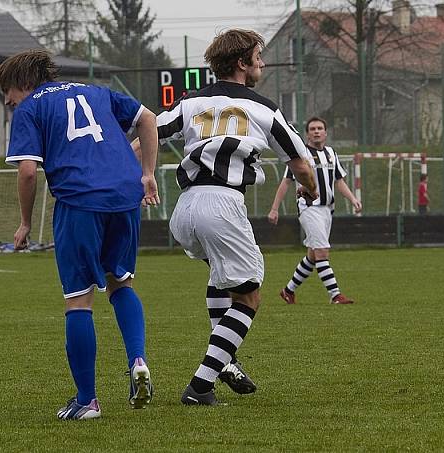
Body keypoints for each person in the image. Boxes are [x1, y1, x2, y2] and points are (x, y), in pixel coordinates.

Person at [0, 49, 159, 420]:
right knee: (121, 283)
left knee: (78, 301)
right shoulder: (98, 91)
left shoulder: (31, 109)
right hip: (125, 197)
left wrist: (26, 222)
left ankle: (87, 400)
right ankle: (137, 360)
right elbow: (148, 119)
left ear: (24, 83)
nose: (8, 101)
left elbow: (28, 172)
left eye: (7, 92)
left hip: (79, 201)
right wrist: (147, 172)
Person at [155, 29, 318, 406]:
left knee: (222, 274)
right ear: (242, 63)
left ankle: (226, 359)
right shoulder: (264, 108)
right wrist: (308, 189)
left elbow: (146, 133)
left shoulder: (190, 101)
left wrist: (141, 175)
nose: (262, 62)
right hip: (222, 204)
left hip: (186, 208)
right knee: (249, 297)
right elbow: (302, 164)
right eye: (258, 56)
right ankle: (201, 385)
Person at [268, 116, 363, 305]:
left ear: (326, 133)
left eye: (320, 128)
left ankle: (288, 291)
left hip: (328, 209)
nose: (316, 131)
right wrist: (274, 208)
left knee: (313, 255)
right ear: (307, 134)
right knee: (322, 252)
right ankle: (335, 295)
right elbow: (286, 182)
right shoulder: (301, 155)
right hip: (309, 209)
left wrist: (353, 199)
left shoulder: (331, 153)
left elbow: (339, 181)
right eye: (312, 129)